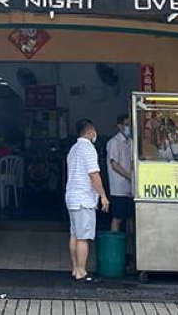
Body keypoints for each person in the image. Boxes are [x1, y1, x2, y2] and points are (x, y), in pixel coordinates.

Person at [65, 118, 109, 283]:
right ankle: (82, 272)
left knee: (74, 234)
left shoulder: (73, 149)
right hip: (84, 198)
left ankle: (75, 268)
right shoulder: (88, 148)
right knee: (83, 237)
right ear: (90, 131)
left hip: (72, 196)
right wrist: (103, 196)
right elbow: (94, 174)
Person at [106, 114, 134, 242]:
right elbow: (114, 164)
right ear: (119, 126)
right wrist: (129, 176)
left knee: (130, 218)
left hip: (130, 187)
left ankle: (130, 249)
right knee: (118, 218)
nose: (129, 127)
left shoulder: (131, 142)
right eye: (127, 124)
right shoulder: (114, 142)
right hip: (118, 187)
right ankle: (114, 248)